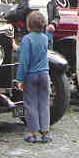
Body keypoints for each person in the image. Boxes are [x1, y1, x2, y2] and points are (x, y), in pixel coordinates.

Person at [17, 11, 52, 143]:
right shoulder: (44, 38)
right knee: (44, 103)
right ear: (43, 25)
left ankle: (32, 133)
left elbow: (24, 60)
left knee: (30, 104)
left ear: (28, 26)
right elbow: (47, 46)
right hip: (44, 74)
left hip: (31, 76)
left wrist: (20, 79)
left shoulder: (27, 39)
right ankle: (45, 133)